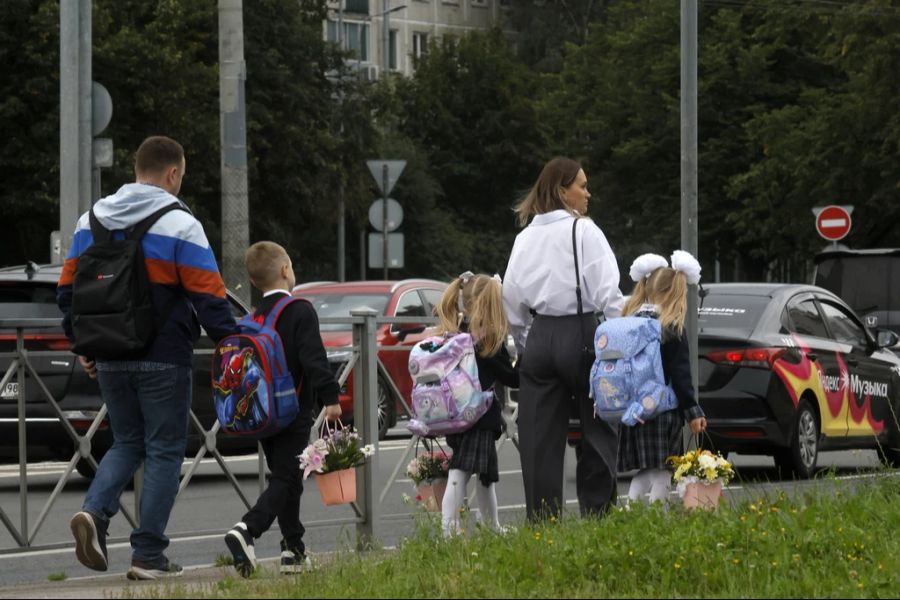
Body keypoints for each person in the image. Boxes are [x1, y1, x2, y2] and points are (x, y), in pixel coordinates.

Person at [57, 136, 238, 580]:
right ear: (173, 174)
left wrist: (84, 344)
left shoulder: (89, 221)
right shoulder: (180, 223)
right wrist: (236, 346)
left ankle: (95, 515)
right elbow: (210, 299)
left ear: (137, 169)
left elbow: (67, 293)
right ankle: (148, 556)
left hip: (110, 355)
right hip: (163, 356)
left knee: (125, 442)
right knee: (163, 451)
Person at [502, 157, 625, 521]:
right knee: (598, 427)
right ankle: (598, 516)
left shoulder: (524, 237)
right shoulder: (585, 231)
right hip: (582, 331)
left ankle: (542, 523)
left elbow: (511, 301)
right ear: (562, 191)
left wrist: (527, 342)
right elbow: (609, 296)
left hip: (539, 338)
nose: (589, 193)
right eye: (582, 186)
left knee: (538, 436)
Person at [224, 241, 342, 577]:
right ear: (286, 270)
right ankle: (247, 530)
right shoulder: (299, 311)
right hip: (292, 412)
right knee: (288, 478)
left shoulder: (252, 318)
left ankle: (293, 549)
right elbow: (313, 359)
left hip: (259, 414)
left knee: (286, 478)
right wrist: (331, 398)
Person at [432, 272, 520, 536]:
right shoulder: (487, 341)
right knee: (460, 473)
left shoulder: (458, 334)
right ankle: (448, 531)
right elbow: (512, 378)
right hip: (480, 418)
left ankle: (491, 526)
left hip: (459, 415)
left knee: (485, 477)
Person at [617, 251, 707, 506]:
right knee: (664, 467)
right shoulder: (671, 326)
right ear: (675, 292)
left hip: (635, 409)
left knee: (650, 468)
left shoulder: (630, 320)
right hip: (664, 409)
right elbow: (680, 374)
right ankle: (656, 516)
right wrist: (693, 411)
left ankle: (634, 511)